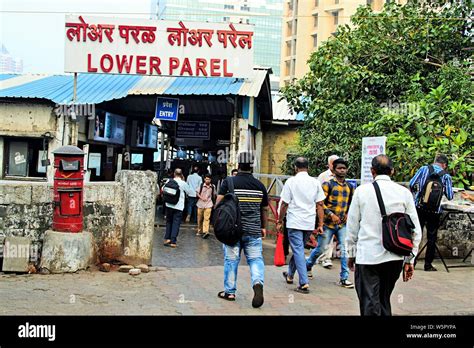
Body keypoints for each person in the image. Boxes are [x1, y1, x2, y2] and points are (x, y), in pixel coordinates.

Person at [346, 155, 422, 316]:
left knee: (369, 303)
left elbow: (352, 227)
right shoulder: (404, 193)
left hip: (368, 257)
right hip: (394, 257)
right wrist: (410, 259)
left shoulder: (361, 192)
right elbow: (415, 230)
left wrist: (351, 254)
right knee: (383, 300)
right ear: (392, 171)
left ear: (372, 171)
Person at [216, 152, 268, 308]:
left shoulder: (228, 182)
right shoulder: (260, 186)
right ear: (252, 165)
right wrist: (263, 227)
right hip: (253, 230)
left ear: (238, 165)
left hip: (233, 231)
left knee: (231, 261)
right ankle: (257, 282)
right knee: (255, 259)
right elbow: (264, 209)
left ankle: (230, 292)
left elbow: (218, 204)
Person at [277, 157, 325, 294]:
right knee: (299, 249)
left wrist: (280, 220)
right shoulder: (315, 182)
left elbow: (284, 203)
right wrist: (320, 224)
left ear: (295, 168)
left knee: (298, 250)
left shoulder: (291, 182)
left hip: (294, 221)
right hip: (309, 222)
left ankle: (304, 282)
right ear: (308, 167)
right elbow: (320, 204)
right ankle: (290, 274)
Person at [306, 158, 355, 288]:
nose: (342, 170)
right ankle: (307, 266)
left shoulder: (350, 187)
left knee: (344, 249)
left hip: (342, 224)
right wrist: (331, 215)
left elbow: (351, 204)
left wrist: (347, 214)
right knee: (321, 248)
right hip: (328, 224)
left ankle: (344, 278)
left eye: (344, 168)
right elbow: (320, 204)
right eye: (339, 168)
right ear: (333, 170)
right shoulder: (327, 184)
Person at [409, 154, 454, 271]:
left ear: (435, 161)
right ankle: (428, 265)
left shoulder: (424, 169)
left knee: (415, 234)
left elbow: (411, 184)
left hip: (420, 207)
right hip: (435, 211)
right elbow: (450, 196)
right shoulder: (446, 176)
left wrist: (418, 195)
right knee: (432, 237)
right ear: (444, 165)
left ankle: (411, 262)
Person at [316, 154, 339, 268]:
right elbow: (318, 196)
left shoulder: (340, 176)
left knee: (331, 237)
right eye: (333, 162)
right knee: (326, 236)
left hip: (338, 212)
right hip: (325, 210)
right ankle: (324, 258)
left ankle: (323, 257)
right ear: (329, 164)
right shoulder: (323, 176)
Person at [164, 168, 195, 248]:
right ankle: (173, 242)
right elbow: (189, 192)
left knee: (169, 222)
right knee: (176, 223)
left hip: (169, 205)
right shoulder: (183, 183)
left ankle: (167, 238)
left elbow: (163, 189)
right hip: (179, 206)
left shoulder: (169, 181)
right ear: (181, 175)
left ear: (174, 173)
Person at [196, 174, 216, 239]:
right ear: (204, 179)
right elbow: (197, 193)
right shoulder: (201, 185)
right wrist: (201, 198)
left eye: (209, 179)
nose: (208, 180)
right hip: (200, 204)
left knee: (206, 218)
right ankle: (200, 230)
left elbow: (214, 194)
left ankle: (205, 232)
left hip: (209, 204)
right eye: (206, 179)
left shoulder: (213, 187)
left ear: (211, 180)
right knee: (200, 219)